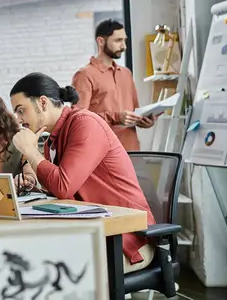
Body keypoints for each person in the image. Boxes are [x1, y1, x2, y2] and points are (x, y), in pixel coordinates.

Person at [9, 72, 156, 274]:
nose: (18, 120)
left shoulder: (85, 123)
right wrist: (32, 184)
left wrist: (30, 151)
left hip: (125, 240)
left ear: (43, 103)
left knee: (54, 274)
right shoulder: (53, 139)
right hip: (93, 235)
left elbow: (63, 186)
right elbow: (62, 191)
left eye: (20, 110)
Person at [71, 19, 155, 151]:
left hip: (131, 151)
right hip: (103, 154)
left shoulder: (126, 73)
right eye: (118, 41)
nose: (124, 46)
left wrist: (144, 120)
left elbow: (134, 112)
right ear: (101, 41)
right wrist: (116, 117)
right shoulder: (84, 75)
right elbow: (79, 119)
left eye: (124, 40)